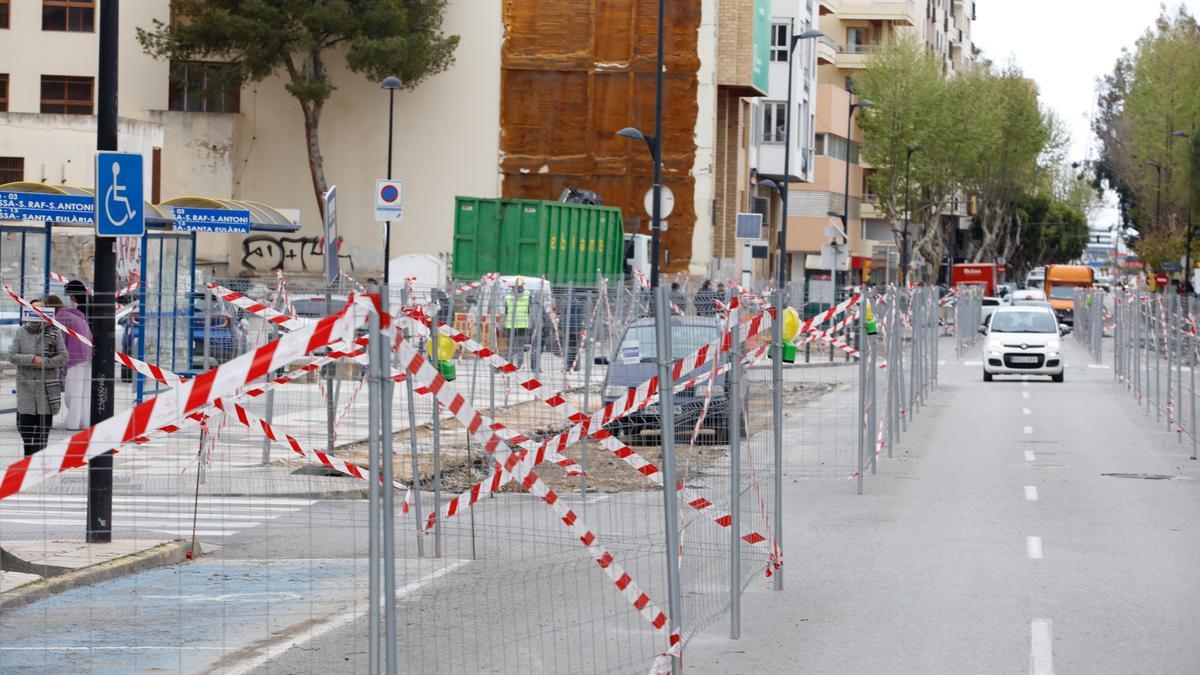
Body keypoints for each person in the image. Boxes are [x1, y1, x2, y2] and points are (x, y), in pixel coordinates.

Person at [9, 299, 68, 456]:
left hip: (46, 389)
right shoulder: (21, 332)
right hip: (26, 388)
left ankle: (38, 461)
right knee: (25, 429)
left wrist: (45, 362)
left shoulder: (54, 331)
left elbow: (64, 357)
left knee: (43, 431)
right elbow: (12, 356)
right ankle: (29, 455)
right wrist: (31, 359)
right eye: (34, 309)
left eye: (41, 309)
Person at [45, 294, 92, 430]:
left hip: (75, 357)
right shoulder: (74, 314)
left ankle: (72, 423)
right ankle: (84, 421)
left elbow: (57, 340)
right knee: (84, 393)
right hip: (87, 355)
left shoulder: (60, 317)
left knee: (72, 394)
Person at [505, 276, 532, 364]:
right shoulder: (528, 295)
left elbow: (505, 311)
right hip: (522, 324)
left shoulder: (508, 296)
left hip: (510, 325)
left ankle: (509, 363)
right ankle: (519, 365)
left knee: (510, 346)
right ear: (522, 285)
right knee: (520, 346)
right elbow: (529, 309)